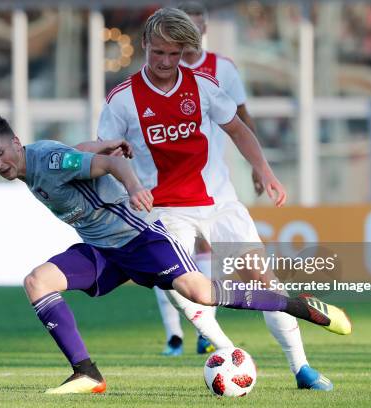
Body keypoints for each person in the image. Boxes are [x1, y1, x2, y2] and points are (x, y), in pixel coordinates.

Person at [0, 115, 351, 394]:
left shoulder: (47, 161)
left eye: (1, 153)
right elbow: (81, 152)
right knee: (37, 281)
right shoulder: (33, 165)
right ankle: (87, 374)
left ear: (16, 142)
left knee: (200, 293)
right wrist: (102, 144)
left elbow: (109, 164)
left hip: (140, 239)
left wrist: (133, 186)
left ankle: (294, 305)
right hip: (103, 250)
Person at [96, 7, 336, 391]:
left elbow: (239, 130)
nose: (165, 62)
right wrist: (127, 189)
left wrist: (264, 170)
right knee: (179, 286)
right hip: (163, 211)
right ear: (144, 45)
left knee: (264, 283)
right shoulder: (122, 100)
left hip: (219, 203)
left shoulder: (204, 86)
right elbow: (105, 154)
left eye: (174, 54)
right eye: (158, 52)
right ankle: (229, 352)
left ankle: (302, 369)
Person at [149, 1, 267, 357]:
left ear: (204, 28)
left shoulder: (222, 70)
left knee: (208, 253)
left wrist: (257, 166)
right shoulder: (157, 71)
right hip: (163, 185)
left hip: (212, 181)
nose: (194, 31)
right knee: (168, 261)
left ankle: (203, 330)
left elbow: (241, 117)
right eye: (188, 24)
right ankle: (174, 333)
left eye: (198, 25)